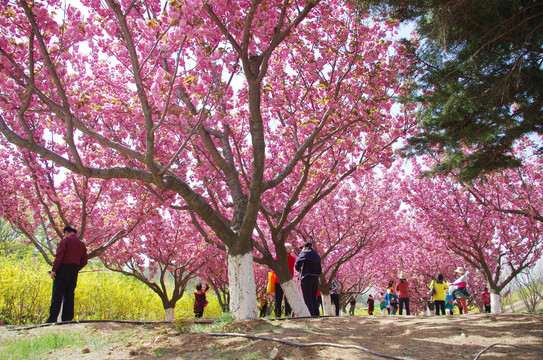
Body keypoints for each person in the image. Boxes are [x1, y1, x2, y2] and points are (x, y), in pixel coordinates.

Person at [46, 226, 88, 323]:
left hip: (63, 268)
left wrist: (54, 270)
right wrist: (76, 268)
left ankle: (52, 319)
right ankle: (67, 319)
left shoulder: (66, 240)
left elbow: (59, 255)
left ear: (66, 232)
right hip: (74, 270)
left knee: (57, 294)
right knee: (69, 295)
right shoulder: (81, 244)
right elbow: (85, 261)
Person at [295, 242, 322, 317]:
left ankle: (310, 314)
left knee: (307, 296)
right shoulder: (316, 254)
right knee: (314, 296)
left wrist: (298, 269)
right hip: (315, 277)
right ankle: (316, 313)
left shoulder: (304, 252)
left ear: (304, 247)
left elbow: (298, 263)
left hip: (307, 276)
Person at [274, 243, 297, 317]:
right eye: (289, 248)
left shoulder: (278, 257)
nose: (290, 249)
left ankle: (278, 315)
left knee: (279, 299)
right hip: (287, 280)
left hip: (279, 280)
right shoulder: (292, 258)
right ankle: (287, 314)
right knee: (287, 299)